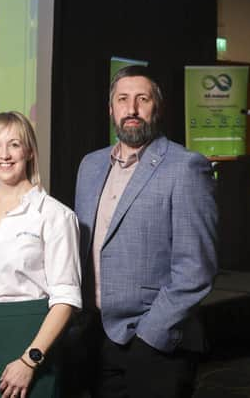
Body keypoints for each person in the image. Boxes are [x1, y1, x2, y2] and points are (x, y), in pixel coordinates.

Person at [74, 65, 218, 398]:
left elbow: (196, 269)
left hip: (155, 343)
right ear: (111, 109)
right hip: (97, 339)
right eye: (123, 99)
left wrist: (149, 336)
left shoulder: (186, 167)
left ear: (158, 107)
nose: (132, 109)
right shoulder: (90, 165)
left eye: (143, 99)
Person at [0, 111, 82, 398]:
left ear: (30, 152)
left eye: (14, 144)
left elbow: (66, 299)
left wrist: (30, 360)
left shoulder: (55, 215)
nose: (5, 154)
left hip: (29, 336)